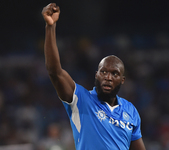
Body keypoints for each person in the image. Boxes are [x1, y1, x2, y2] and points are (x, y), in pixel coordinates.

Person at [42, 3, 146, 150]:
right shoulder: (80, 99)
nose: (108, 77)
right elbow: (55, 71)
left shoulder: (131, 111)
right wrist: (50, 27)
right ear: (96, 75)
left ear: (122, 80)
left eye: (114, 73)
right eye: (103, 72)